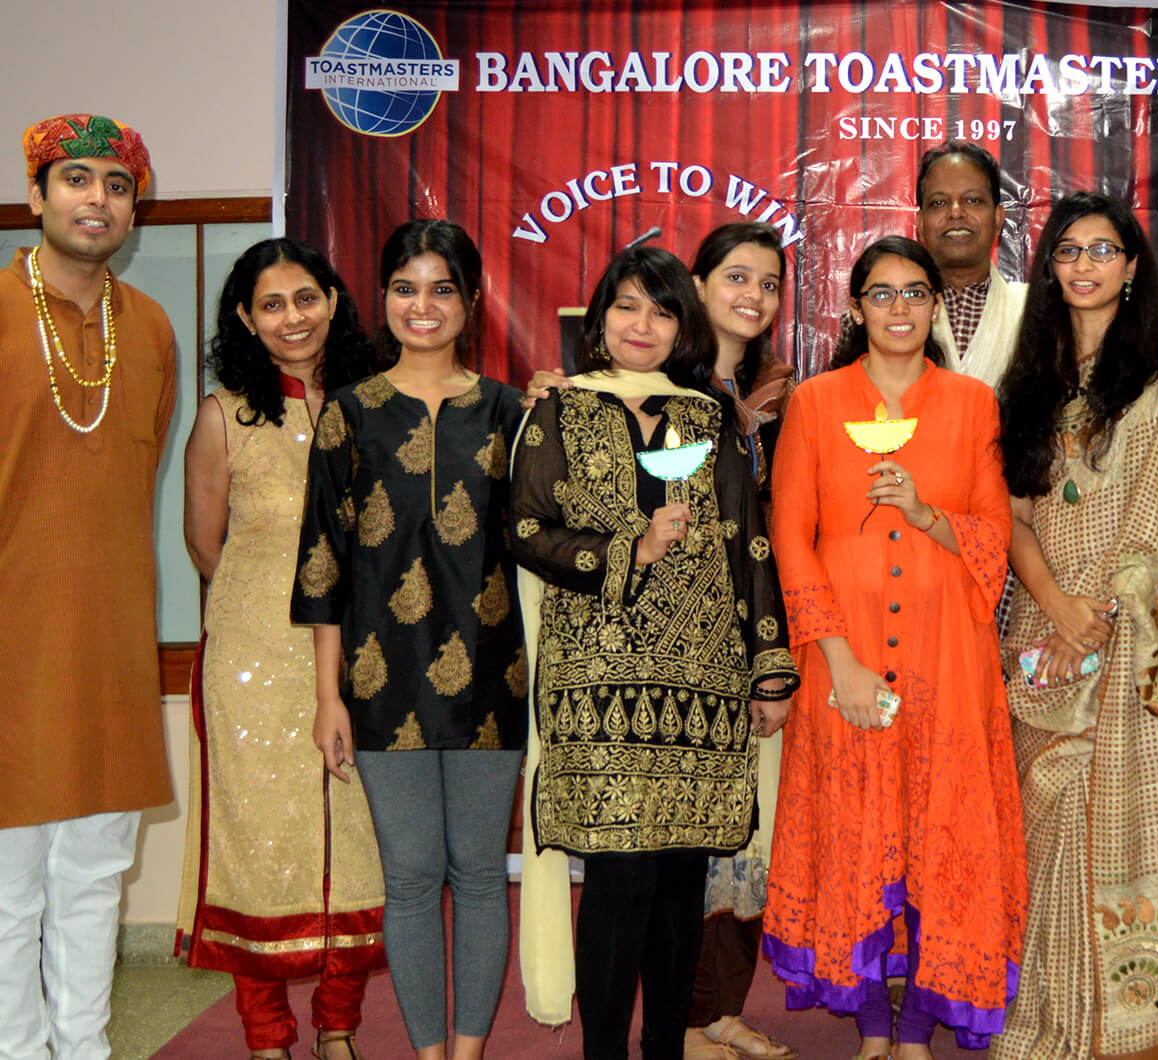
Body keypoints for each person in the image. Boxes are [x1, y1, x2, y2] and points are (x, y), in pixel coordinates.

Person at [510, 244, 797, 1060]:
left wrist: (769, 667)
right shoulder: (560, 412)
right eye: (628, 306)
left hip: (703, 684)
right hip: (597, 686)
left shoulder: (711, 421)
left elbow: (753, 549)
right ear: (600, 318)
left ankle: (666, 1049)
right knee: (619, 884)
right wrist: (624, 551)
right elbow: (528, 530)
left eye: (664, 309)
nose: (644, 325)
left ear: (685, 325)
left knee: (679, 888)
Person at [989, 192, 1158, 1059]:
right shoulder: (1024, 380)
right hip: (1042, 625)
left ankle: (1128, 1026)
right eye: (1067, 251)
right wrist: (1064, 613)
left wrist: (1107, 607)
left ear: (1133, 265)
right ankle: (1048, 1025)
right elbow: (1011, 514)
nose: (1084, 266)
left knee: (1126, 832)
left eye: (1102, 250)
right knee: (1045, 822)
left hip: (1140, 635)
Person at [762, 235, 1027, 1055]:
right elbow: (790, 534)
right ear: (854, 307)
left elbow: (993, 536)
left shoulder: (973, 404)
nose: (901, 308)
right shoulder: (815, 403)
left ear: (936, 306)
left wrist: (924, 515)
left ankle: (917, 1028)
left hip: (950, 649)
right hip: (842, 646)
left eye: (917, 292)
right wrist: (835, 657)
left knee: (938, 834)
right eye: (882, 294)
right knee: (855, 829)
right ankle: (872, 1025)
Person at [291, 219, 529, 1060]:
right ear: (381, 298)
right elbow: (321, 564)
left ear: (471, 302)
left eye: (441, 289)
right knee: (412, 879)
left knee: (477, 876)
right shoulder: (349, 414)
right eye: (404, 287)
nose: (421, 306)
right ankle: (428, 1056)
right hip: (376, 679)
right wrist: (328, 698)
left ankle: (466, 1054)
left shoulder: (510, 411)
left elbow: (546, 539)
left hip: (491, 679)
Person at [180, 238, 387, 1060]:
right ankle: (266, 1037)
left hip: (369, 652)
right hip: (253, 658)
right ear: (245, 318)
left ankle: (338, 1028)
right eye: (271, 304)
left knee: (363, 833)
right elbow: (206, 546)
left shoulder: (379, 402)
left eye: (306, 297)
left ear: (333, 300)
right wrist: (266, 614)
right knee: (254, 844)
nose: (292, 317)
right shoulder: (222, 413)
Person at [0, 113, 176, 1060]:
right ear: (36, 196)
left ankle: (86, 1049)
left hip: (109, 650)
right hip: (9, 649)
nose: (96, 199)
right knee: (6, 890)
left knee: (95, 879)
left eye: (116, 184)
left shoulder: (145, 327)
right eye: (76, 179)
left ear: (133, 207)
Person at [685, 223, 797, 1060]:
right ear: (694, 284)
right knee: (690, 845)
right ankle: (685, 1021)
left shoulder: (757, 403)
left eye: (767, 282)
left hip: (757, 647)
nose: (752, 295)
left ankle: (721, 1009)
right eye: (735, 276)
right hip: (682, 656)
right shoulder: (664, 390)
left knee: (746, 841)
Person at [914, 141, 1027, 388]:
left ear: (998, 219)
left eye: (973, 200)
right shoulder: (885, 310)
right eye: (939, 203)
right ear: (920, 223)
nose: (956, 213)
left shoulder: (1033, 308)